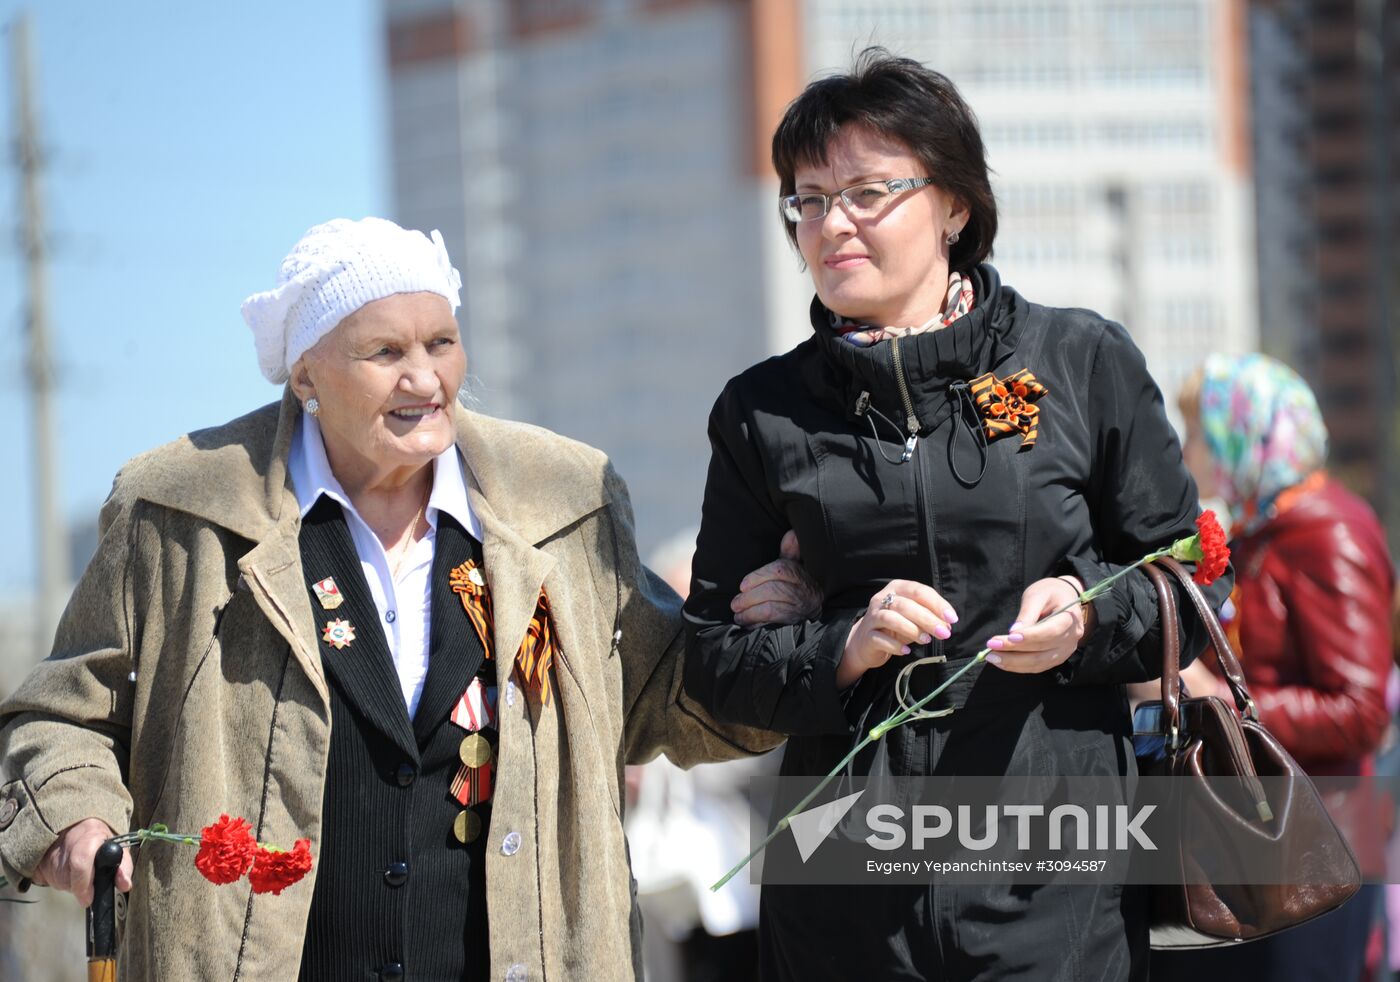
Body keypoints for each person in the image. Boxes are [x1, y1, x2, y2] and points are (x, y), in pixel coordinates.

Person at [0, 217, 812, 980]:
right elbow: (61, 714)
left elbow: (673, 691)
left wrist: (786, 631)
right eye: (384, 351)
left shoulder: (562, 501)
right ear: (307, 375)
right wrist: (75, 817)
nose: (424, 377)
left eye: (441, 343)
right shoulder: (182, 512)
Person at [682, 50, 1230, 982]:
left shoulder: (1081, 361)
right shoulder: (761, 412)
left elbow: (1188, 582)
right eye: (807, 201)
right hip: (841, 901)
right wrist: (842, 645)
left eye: (866, 192)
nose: (830, 224)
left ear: (955, 207)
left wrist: (1087, 617)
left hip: (1056, 886)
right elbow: (713, 661)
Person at [1150, 353, 1393, 982]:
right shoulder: (1261, 531)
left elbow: (1362, 713)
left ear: (1245, 432)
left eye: (1199, 430)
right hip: (1258, 835)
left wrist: (1222, 698)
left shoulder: (1329, 531)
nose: (1188, 449)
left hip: (1318, 850)